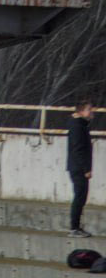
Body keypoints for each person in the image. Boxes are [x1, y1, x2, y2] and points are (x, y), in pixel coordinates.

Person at [68, 100, 94, 237]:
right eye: (89, 110)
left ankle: (76, 227)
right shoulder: (78, 126)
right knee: (79, 197)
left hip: (77, 167)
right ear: (81, 111)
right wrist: (86, 169)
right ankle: (74, 228)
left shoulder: (79, 125)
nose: (92, 112)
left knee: (81, 197)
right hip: (78, 169)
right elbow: (78, 150)